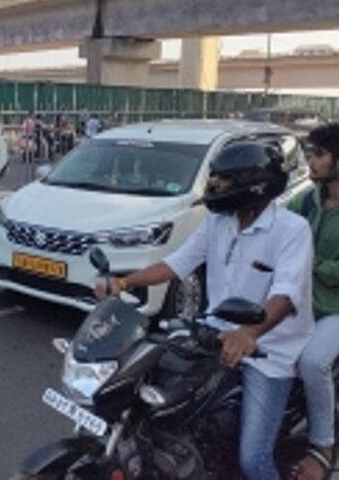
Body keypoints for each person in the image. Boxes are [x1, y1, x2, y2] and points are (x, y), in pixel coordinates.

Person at [95, 140, 314, 480]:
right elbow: (177, 263)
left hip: (267, 351)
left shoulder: (292, 230)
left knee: (252, 460)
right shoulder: (218, 222)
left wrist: (249, 334)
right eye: (215, 177)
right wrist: (124, 283)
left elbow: (286, 294)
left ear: (252, 183)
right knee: (154, 404)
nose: (214, 185)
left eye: (223, 179)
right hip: (211, 334)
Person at [288, 123, 339, 480]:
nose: (311, 161)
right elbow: (277, 225)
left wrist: (309, 261)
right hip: (299, 300)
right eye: (311, 153)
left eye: (319, 154)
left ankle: (323, 444)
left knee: (312, 362)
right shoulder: (308, 197)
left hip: (335, 309)